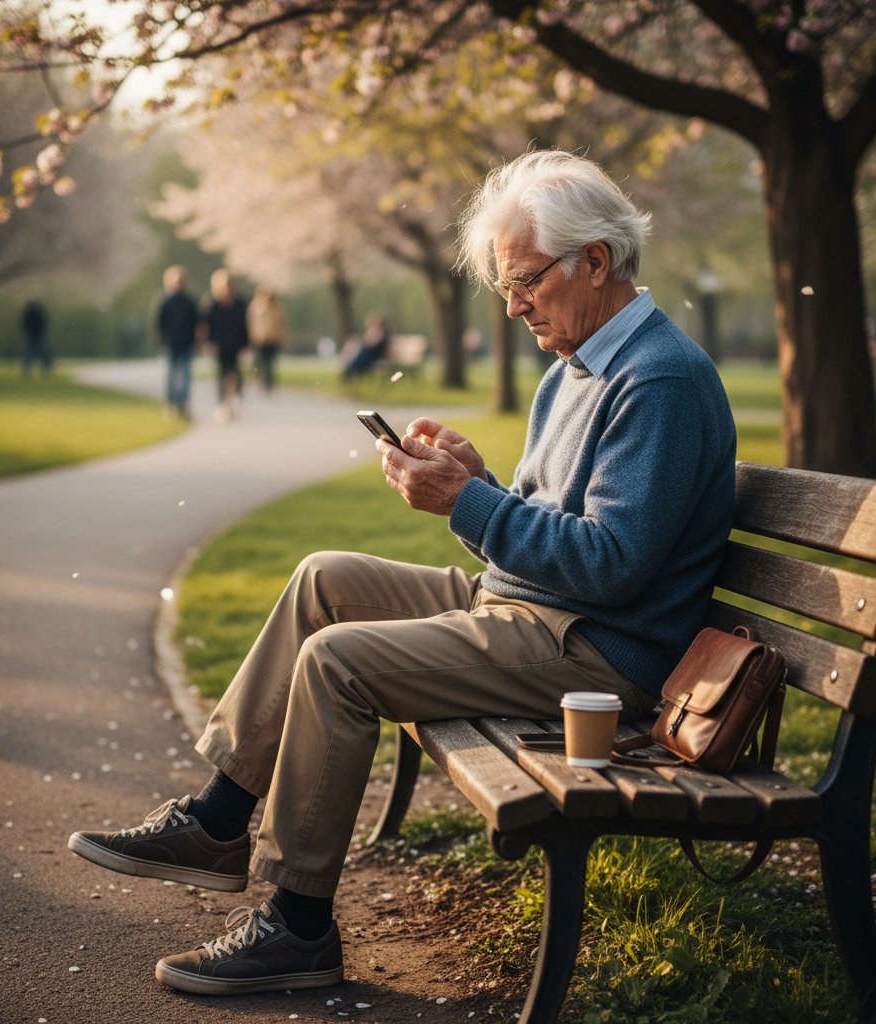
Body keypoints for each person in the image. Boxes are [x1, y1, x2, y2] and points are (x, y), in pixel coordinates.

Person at [67, 149, 737, 998]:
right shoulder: (580, 365)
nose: (513, 305)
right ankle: (218, 818)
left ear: (596, 261)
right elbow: (558, 529)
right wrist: (480, 483)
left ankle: (299, 925)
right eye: (505, 285)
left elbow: (611, 567)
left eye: (525, 281)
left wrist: (469, 503)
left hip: (596, 653)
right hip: (531, 611)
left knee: (338, 661)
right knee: (325, 579)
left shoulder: (659, 380)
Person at [204, 269, 249, 423]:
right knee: (221, 375)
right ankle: (222, 404)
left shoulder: (240, 303)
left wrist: (246, 346)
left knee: (236, 373)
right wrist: (208, 343)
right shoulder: (212, 304)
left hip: (237, 344)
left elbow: (246, 325)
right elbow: (206, 325)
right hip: (219, 345)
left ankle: (236, 397)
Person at [156, 266, 199, 419]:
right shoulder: (165, 301)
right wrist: (162, 340)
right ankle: (171, 404)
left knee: (186, 375)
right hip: (171, 344)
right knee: (171, 376)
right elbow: (159, 324)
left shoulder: (190, 302)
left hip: (187, 343)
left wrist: (196, 341)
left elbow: (196, 323)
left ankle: (183, 404)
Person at [247, 287, 287, 393]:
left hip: (273, 339)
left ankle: (269, 383)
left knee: (270, 363)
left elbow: (281, 324)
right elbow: (252, 323)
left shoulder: (277, 308)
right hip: (260, 339)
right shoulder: (256, 307)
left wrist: (282, 336)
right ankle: (262, 381)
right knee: (260, 362)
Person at [339, 312, 390, 379]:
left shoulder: (381, 334)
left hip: (371, 357)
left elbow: (373, 346)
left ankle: (348, 375)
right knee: (353, 360)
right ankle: (347, 374)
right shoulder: (372, 333)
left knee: (355, 362)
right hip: (365, 356)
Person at [20, 299, 51, 376]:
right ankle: (44, 370)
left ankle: (27, 371)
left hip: (31, 335)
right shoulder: (39, 312)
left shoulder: (27, 313)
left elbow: (23, 324)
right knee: (42, 354)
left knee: (28, 354)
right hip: (39, 335)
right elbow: (44, 323)